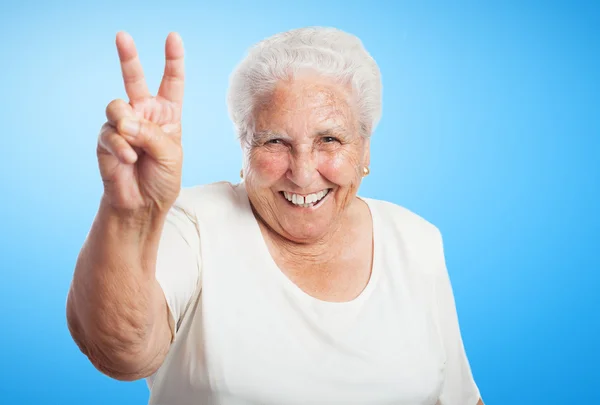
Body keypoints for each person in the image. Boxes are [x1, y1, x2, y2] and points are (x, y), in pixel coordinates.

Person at [66, 26, 484, 405]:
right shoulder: (194, 223)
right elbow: (120, 353)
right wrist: (128, 215)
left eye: (330, 139)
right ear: (243, 148)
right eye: (275, 142)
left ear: (365, 149)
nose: (302, 174)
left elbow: (461, 399)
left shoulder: (416, 240)